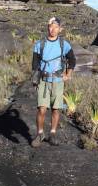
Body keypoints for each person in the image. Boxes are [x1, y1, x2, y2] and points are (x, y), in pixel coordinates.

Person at [31, 17, 76, 147]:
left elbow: (72, 60)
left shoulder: (64, 44)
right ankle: (40, 134)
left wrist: (68, 74)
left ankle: (53, 133)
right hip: (44, 81)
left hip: (58, 81)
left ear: (60, 29)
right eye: (51, 26)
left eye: (56, 27)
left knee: (56, 109)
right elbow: (35, 64)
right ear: (47, 27)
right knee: (42, 109)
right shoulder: (39, 44)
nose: (53, 29)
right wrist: (35, 80)